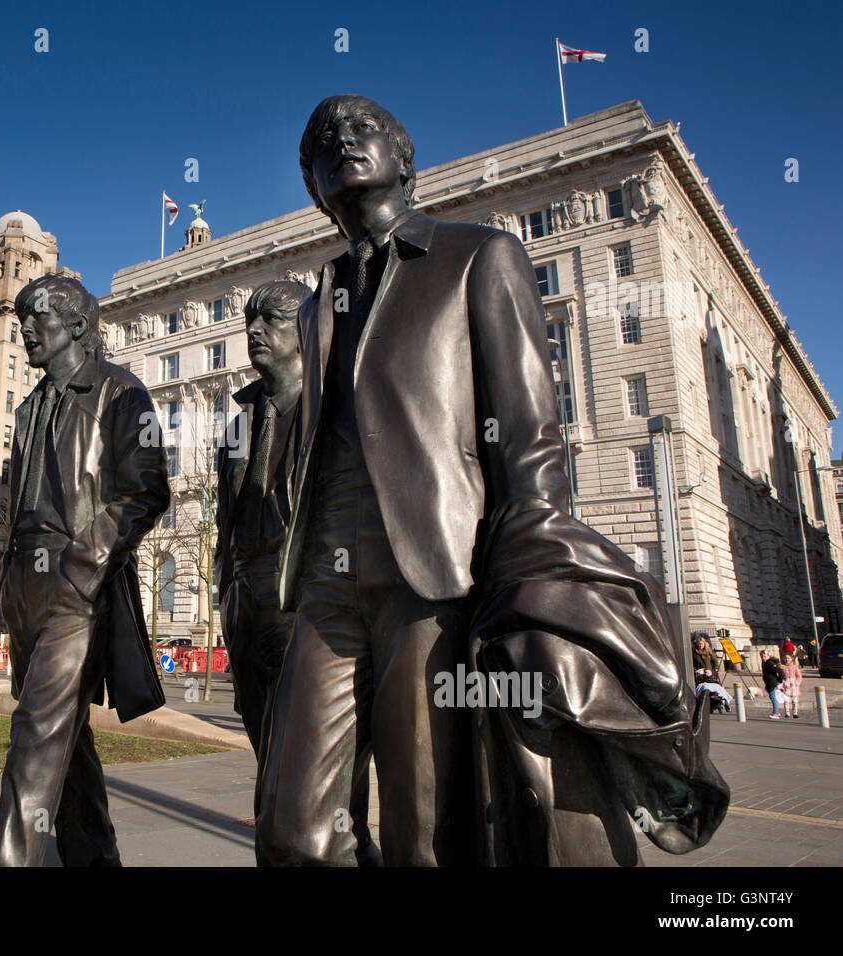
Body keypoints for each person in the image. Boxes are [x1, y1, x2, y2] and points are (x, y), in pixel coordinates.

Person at [255, 94, 728, 866]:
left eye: (362, 127)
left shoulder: (478, 254)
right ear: (312, 184)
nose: (342, 138)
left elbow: (529, 429)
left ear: (404, 160)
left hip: (435, 574)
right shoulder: (316, 305)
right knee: (292, 830)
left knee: (428, 829)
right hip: (325, 581)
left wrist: (533, 571)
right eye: (321, 139)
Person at [0, 275, 169, 867]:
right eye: (20, 318)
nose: (25, 329)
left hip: (76, 581)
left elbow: (146, 490)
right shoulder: (32, 403)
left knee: (36, 734)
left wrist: (84, 564)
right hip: (24, 586)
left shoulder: (121, 393)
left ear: (79, 325)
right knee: (65, 739)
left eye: (36, 316)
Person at [214, 279, 378, 865]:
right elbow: (223, 512)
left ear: (305, 331)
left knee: (297, 774)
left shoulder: (335, 406)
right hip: (247, 600)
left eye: (272, 320)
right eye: (250, 320)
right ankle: (354, 848)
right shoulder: (240, 420)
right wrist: (224, 582)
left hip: (310, 602)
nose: (255, 331)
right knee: (275, 761)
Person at [761, 651, 785, 719]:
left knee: (773, 697)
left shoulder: (770, 663)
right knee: (773, 697)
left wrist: (780, 680)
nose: (763, 658)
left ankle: (776, 713)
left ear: (769, 656)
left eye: (765, 656)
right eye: (762, 656)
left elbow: (780, 671)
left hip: (772, 682)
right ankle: (776, 711)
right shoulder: (765, 663)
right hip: (768, 682)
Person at [780, 652, 802, 719]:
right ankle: (787, 713)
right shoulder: (782, 667)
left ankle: (795, 713)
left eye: (788, 658)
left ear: (791, 659)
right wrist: (783, 682)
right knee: (786, 700)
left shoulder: (795, 667)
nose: (787, 659)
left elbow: (799, 675)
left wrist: (797, 682)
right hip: (786, 684)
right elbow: (781, 677)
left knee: (795, 700)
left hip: (794, 684)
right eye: (785, 658)